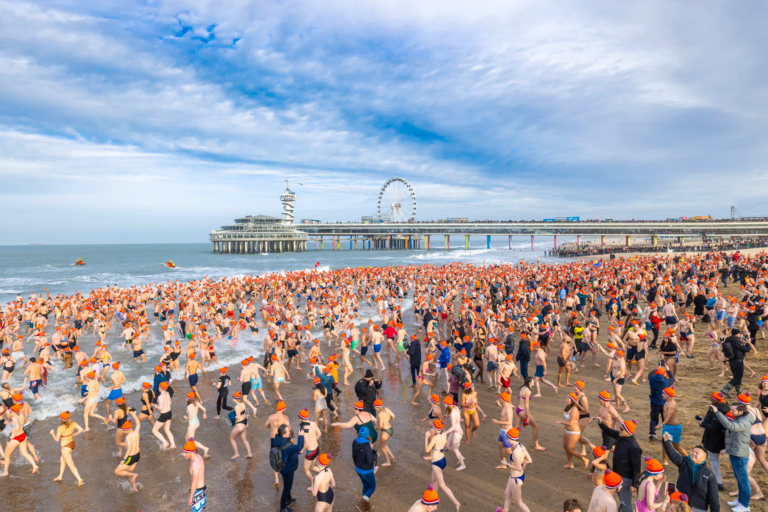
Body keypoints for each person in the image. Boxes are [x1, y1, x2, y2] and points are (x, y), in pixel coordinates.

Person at [712, 401, 754, 512]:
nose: (731, 412)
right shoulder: (740, 418)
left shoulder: (744, 421)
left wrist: (717, 412)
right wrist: (728, 450)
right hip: (735, 453)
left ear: (741, 411)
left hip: (740, 455)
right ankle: (740, 500)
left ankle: (745, 505)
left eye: (733, 410)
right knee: (739, 479)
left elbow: (730, 426)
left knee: (743, 481)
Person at [661, 436, 719, 512]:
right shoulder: (683, 462)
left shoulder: (709, 474)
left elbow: (713, 498)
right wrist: (666, 441)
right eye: (693, 451)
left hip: (699, 508)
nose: (693, 453)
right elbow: (672, 454)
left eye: (697, 453)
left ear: (704, 458)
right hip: (681, 504)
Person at [595, 419, 642, 512]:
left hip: (626, 479)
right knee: (621, 500)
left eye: (621, 429)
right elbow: (609, 431)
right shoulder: (621, 436)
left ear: (628, 432)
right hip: (617, 475)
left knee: (625, 502)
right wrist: (600, 423)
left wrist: (634, 484)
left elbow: (637, 468)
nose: (619, 430)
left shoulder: (634, 447)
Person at [425, 419, 462, 511]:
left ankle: (456, 503)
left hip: (436, 462)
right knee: (433, 479)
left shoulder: (435, 438)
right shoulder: (444, 434)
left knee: (442, 485)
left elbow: (427, 449)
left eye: (432, 427)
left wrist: (426, 437)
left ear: (434, 428)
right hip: (442, 459)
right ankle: (435, 501)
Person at [698, 392, 729, 491]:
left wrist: (702, 423)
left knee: (713, 458)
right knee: (715, 458)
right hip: (722, 437)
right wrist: (706, 419)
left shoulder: (715, 408)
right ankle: (717, 480)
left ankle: (718, 482)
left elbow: (714, 427)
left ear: (713, 400)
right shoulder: (726, 406)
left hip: (714, 439)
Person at [274, 423, 305, 512]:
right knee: (287, 487)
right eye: (288, 431)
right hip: (287, 469)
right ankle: (283, 507)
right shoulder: (288, 445)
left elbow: (287, 453)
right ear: (284, 434)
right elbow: (299, 447)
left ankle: (289, 499)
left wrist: (296, 452)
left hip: (283, 467)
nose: (290, 433)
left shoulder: (278, 440)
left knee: (287, 485)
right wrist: (301, 436)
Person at [50, 410, 84, 486]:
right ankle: (60, 476)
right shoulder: (73, 423)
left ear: (60, 419)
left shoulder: (60, 428)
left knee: (71, 465)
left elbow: (56, 439)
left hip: (65, 448)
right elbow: (81, 429)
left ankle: (79, 479)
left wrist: (52, 433)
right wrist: (74, 434)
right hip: (72, 445)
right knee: (62, 459)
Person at [501, 427, 532, 512]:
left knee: (519, 502)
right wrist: (523, 463)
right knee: (507, 494)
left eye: (508, 438)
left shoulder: (515, 453)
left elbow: (518, 468)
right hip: (515, 476)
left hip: (516, 479)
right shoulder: (521, 446)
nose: (507, 440)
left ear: (511, 438)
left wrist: (507, 465)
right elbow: (529, 460)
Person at [114, 411, 141, 492]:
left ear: (126, 430)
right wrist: (134, 415)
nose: (122, 430)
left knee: (117, 471)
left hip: (131, 457)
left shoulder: (128, 437)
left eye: (123, 429)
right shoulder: (136, 432)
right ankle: (135, 488)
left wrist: (123, 460)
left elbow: (129, 449)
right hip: (137, 455)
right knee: (128, 470)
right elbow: (138, 423)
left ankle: (134, 475)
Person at [353, 426, 377, 512]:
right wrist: (376, 455)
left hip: (358, 468)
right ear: (367, 435)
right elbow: (370, 460)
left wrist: (357, 465)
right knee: (372, 487)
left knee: (366, 486)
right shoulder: (367, 445)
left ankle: (367, 505)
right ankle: (361, 503)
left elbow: (354, 456)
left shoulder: (355, 442)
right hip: (367, 470)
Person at [720, 330, 752, 398]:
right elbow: (747, 349)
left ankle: (739, 393)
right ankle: (725, 389)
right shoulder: (737, 342)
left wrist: (742, 343)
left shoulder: (728, 340)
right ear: (737, 334)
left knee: (737, 377)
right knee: (737, 378)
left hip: (731, 361)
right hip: (738, 361)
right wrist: (748, 343)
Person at [183, 440, 207, 512]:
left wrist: (190, 497)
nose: (184, 454)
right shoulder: (199, 457)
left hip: (198, 492)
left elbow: (195, 483)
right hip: (204, 489)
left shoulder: (194, 465)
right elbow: (193, 443)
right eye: (184, 452)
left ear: (191, 452)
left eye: (186, 452)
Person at [152, 381, 176, 450]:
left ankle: (165, 442)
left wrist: (154, 405)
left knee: (154, 430)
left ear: (161, 388)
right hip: (169, 413)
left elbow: (161, 407)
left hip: (164, 415)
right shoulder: (168, 394)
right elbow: (170, 403)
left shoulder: (160, 396)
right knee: (167, 430)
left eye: (159, 386)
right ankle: (173, 444)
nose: (158, 387)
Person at [229, 391, 252, 459]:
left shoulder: (237, 407)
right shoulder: (242, 403)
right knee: (244, 439)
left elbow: (238, 417)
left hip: (240, 424)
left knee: (232, 438)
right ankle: (249, 453)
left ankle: (236, 454)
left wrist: (232, 416)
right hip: (245, 422)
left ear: (234, 399)